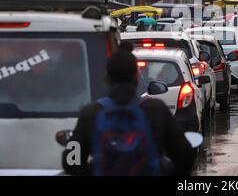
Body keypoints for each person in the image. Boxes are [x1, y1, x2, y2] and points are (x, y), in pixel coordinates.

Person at [62, 43, 195, 176]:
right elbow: (185, 155)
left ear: (107, 78)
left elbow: (71, 163)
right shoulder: (156, 110)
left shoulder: (90, 113)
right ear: (136, 76)